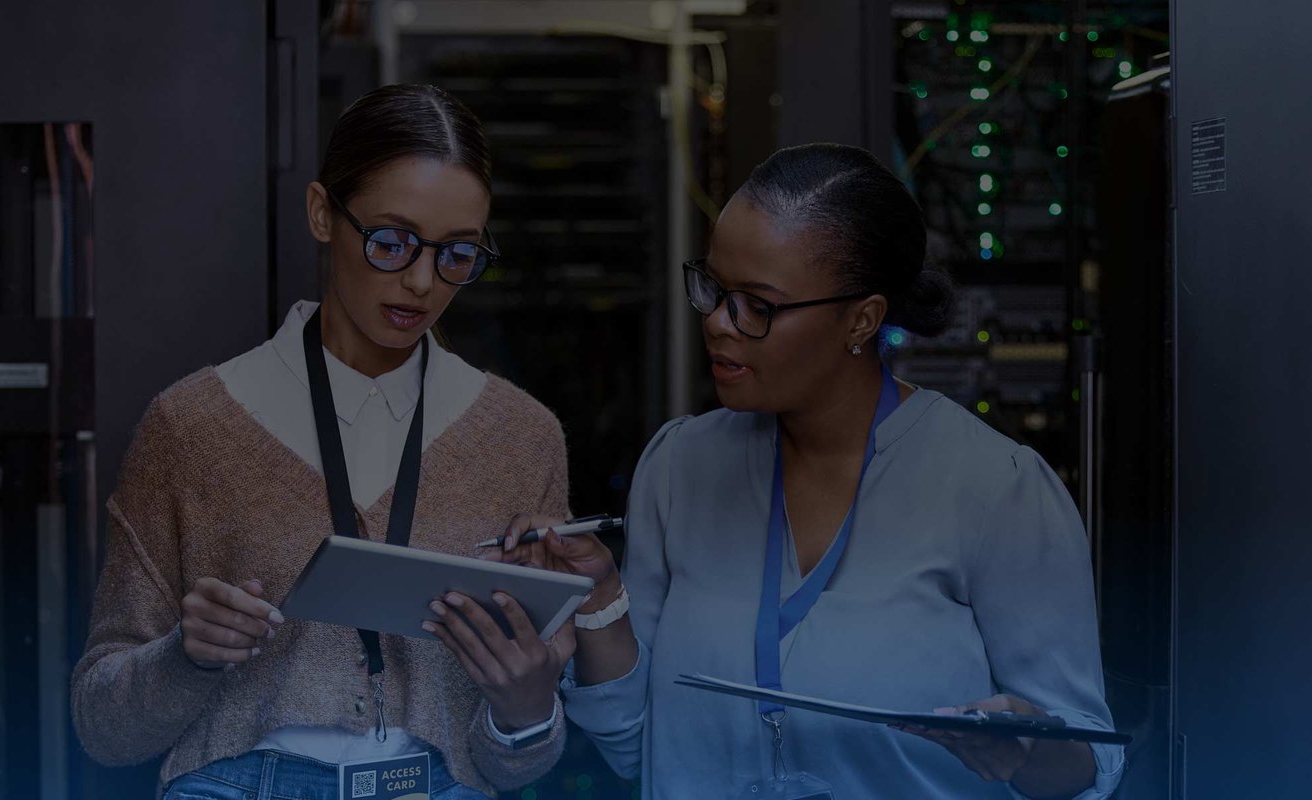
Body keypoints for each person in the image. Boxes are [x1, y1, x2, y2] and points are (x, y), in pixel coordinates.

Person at [493, 143, 1122, 799]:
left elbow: (1086, 773)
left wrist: (1025, 750)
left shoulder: (999, 489)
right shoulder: (679, 465)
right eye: (712, 288)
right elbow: (633, 745)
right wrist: (598, 599)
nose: (717, 322)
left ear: (861, 319)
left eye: (757, 305)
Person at [71, 84, 577, 800]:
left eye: (458, 252)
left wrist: (527, 708)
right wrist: (186, 657)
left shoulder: (521, 438)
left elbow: (515, 763)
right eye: (391, 241)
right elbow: (101, 724)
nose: (423, 281)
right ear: (321, 213)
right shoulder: (193, 426)